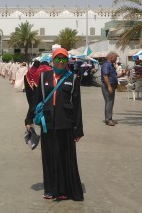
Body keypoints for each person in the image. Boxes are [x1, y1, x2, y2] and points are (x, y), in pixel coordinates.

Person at [25, 48, 84, 201]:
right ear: (52, 59)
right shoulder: (44, 76)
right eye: (57, 58)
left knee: (65, 157)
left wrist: (78, 130)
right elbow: (36, 99)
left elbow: (77, 105)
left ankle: (64, 190)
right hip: (48, 124)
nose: (60, 61)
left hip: (66, 125)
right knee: (49, 157)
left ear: (67, 61)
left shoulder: (73, 78)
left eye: (63, 59)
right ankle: (50, 189)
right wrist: (28, 119)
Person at [101, 52, 118, 126]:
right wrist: (109, 86)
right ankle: (108, 119)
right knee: (109, 102)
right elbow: (105, 76)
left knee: (110, 102)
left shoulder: (111, 65)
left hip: (111, 86)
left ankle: (109, 118)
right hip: (107, 86)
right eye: (115, 58)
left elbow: (113, 76)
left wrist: (122, 74)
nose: (116, 59)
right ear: (111, 58)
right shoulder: (106, 65)